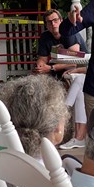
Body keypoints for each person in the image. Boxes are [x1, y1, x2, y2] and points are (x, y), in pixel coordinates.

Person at [34, 8, 88, 149]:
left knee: (77, 82)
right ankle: (72, 134)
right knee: (38, 83)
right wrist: (40, 66)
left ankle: (60, 119)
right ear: (46, 25)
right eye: (50, 22)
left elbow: (76, 60)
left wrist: (52, 68)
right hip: (61, 76)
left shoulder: (69, 33)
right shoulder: (45, 37)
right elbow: (42, 59)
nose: (53, 24)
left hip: (81, 71)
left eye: (56, 20)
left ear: (61, 21)